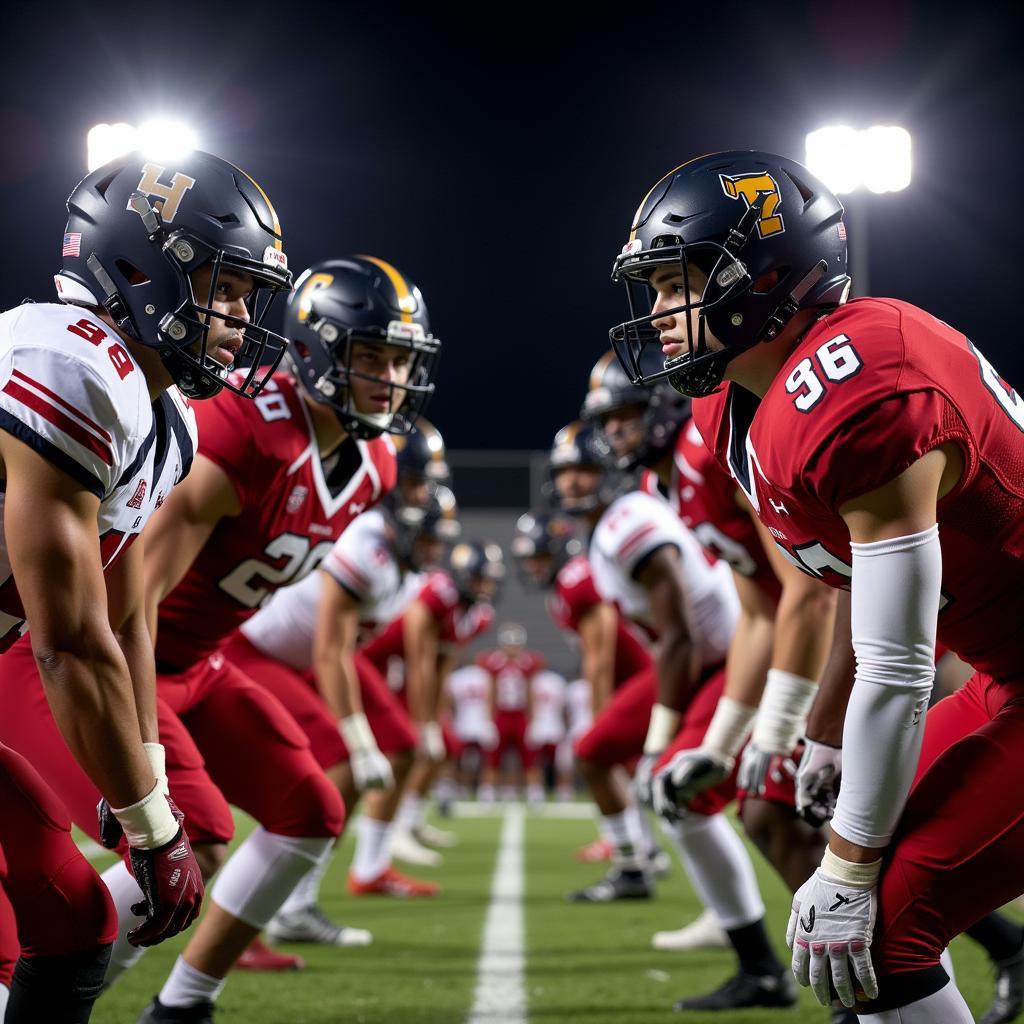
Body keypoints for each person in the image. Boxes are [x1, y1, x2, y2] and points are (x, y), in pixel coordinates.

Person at [611, 148, 1024, 1023]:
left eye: (677, 281)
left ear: (767, 279)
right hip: (1002, 672)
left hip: (1003, 671)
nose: (659, 313)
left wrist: (846, 862)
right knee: (864, 907)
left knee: (876, 923)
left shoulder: (861, 388)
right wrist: (828, 735)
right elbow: (852, 582)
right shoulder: (741, 402)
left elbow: (901, 663)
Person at [0, 147, 292, 1019]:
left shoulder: (166, 421)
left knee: (75, 919)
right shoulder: (67, 359)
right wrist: (150, 827)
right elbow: (66, 639)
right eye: (227, 289)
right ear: (142, 269)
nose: (241, 320)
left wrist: (149, 779)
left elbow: (124, 616)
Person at [130, 255, 438, 1022]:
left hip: (198, 662)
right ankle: (48, 997)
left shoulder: (375, 461)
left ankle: (182, 1007)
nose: (390, 378)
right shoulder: (247, 433)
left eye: (401, 360)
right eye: (371, 356)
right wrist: (140, 744)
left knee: (309, 810)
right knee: (186, 844)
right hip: (124, 656)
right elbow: (127, 601)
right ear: (315, 347)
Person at [475, 624, 547, 801]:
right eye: (509, 644)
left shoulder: (528, 662)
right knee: (493, 755)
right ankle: (488, 792)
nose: (512, 648)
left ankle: (534, 792)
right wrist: (488, 720)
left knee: (529, 755)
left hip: (520, 714)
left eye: (515, 644)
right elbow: (490, 692)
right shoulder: (494, 661)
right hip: (501, 714)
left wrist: (534, 720)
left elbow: (531, 692)